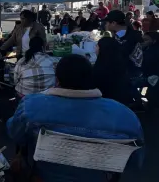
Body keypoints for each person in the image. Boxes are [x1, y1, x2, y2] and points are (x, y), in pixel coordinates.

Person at [7, 54, 144, 181]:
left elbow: (15, 133)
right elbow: (134, 160)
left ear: (57, 79)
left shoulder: (31, 106)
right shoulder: (125, 116)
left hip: (45, 177)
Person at [104, 10, 144, 108]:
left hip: (132, 71)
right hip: (126, 69)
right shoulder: (122, 33)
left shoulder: (130, 38)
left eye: (107, 22)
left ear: (113, 23)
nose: (105, 24)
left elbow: (121, 56)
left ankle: (131, 103)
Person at [93, 37, 132, 104]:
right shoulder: (120, 63)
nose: (95, 48)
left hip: (103, 103)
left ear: (101, 48)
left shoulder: (100, 67)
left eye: (96, 46)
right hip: (121, 103)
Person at [142, 32, 159, 107]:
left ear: (154, 41)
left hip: (154, 76)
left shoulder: (154, 52)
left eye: (145, 40)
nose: (142, 42)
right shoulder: (146, 49)